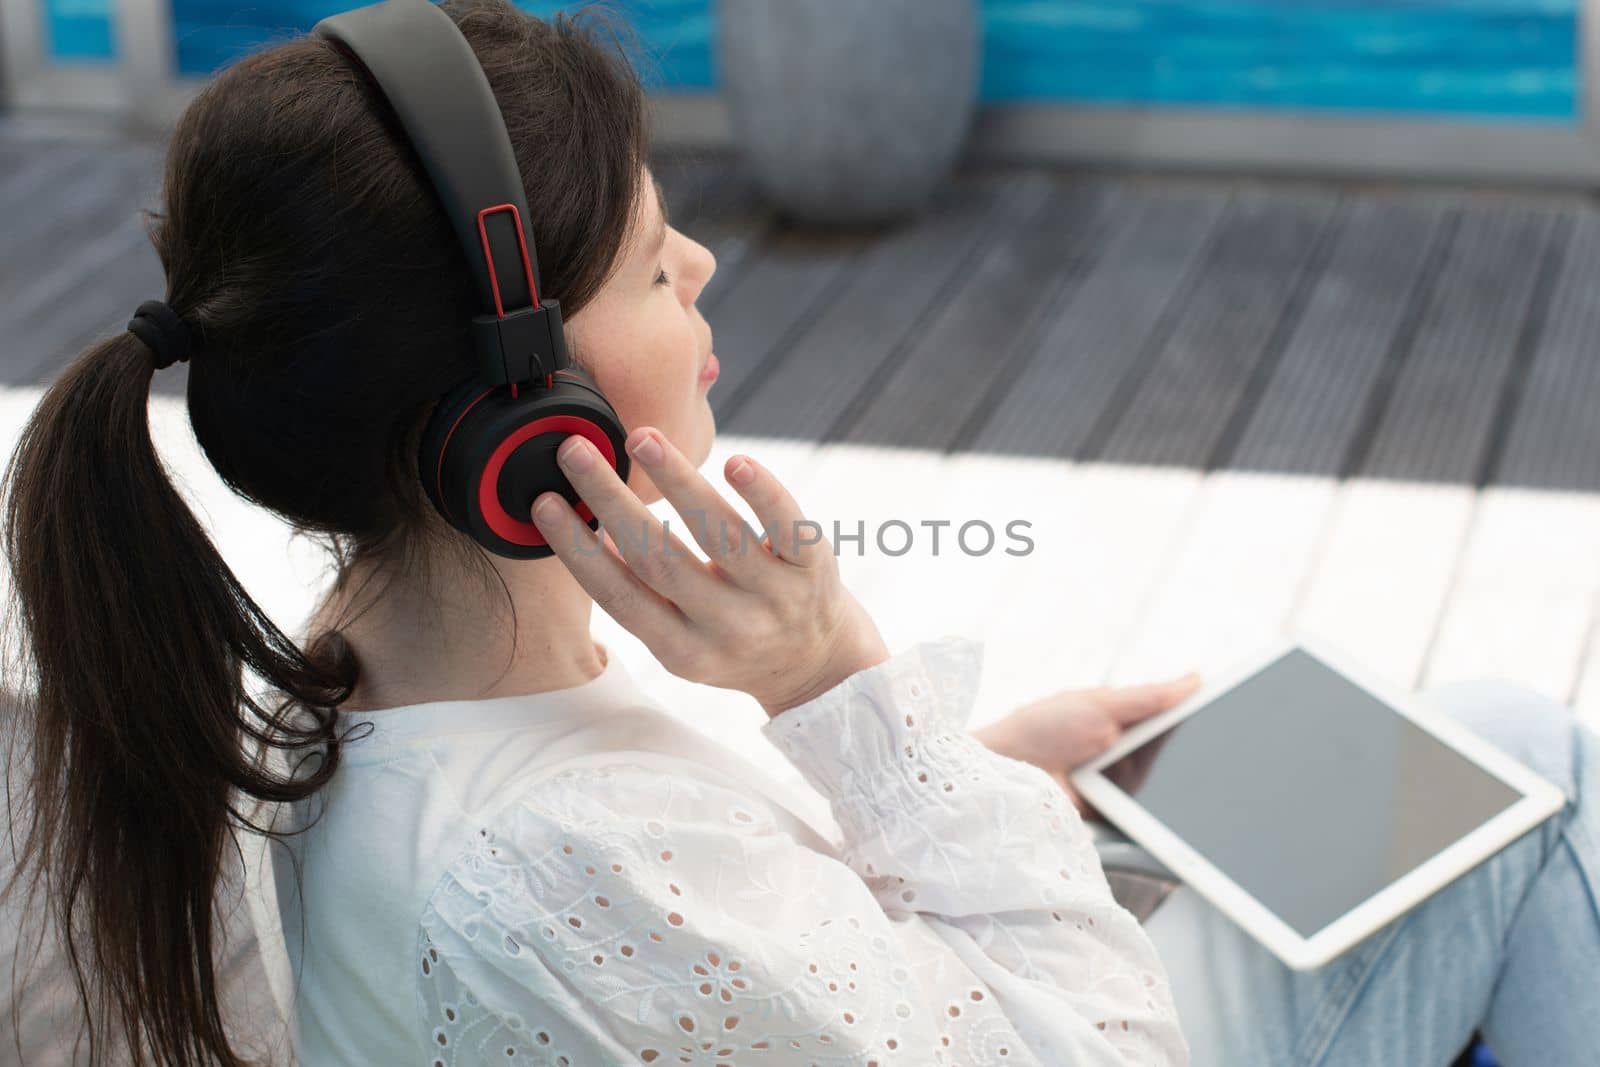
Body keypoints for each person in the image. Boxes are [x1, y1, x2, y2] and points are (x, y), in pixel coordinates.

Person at [0, 2, 1593, 1065]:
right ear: (513, 421)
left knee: (1487, 764)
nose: (699, 264)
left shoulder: (348, 687)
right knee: (1528, 783)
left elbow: (733, 968)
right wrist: (850, 690)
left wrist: (990, 771)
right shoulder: (557, 859)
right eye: (641, 264)